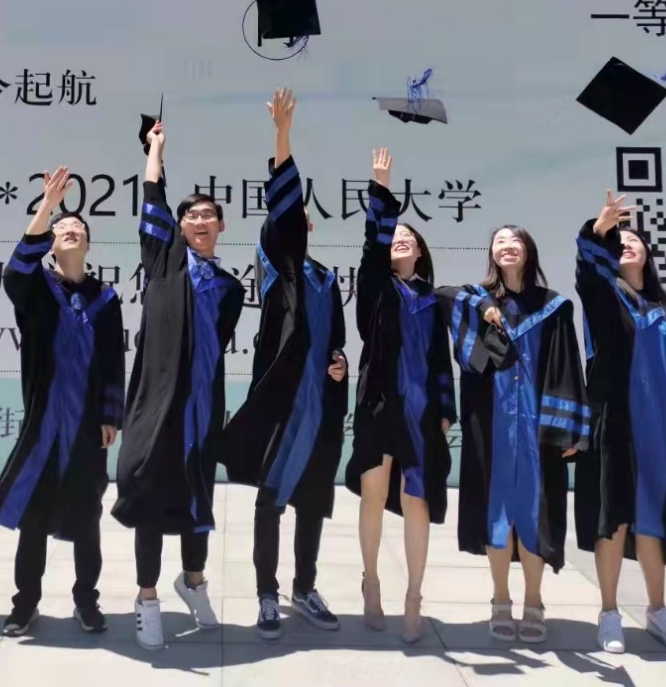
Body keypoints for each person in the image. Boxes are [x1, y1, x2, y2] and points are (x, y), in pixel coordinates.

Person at [220, 89, 348, 639]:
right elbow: (283, 211)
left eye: (302, 218)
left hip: (319, 406)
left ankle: (304, 586)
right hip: (283, 405)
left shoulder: (326, 279)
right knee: (271, 499)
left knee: (312, 500)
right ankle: (267, 593)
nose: (297, 221)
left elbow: (336, 340)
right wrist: (282, 136)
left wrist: (339, 364)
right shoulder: (277, 269)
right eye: (289, 217)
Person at [112, 119, 243, 651]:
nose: (200, 220)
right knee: (149, 497)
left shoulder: (231, 289)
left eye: (208, 215)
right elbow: (153, 197)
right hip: (156, 405)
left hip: (202, 409)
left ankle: (193, 583)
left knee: (197, 501)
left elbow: (213, 348)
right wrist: (156, 151)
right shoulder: (164, 262)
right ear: (180, 228)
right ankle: (147, 600)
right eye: (191, 216)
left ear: (221, 225)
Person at [0, 166, 126, 637]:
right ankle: (25, 603)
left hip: (86, 426)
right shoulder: (38, 291)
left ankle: (86, 600)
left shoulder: (105, 298)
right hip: (43, 424)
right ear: (50, 242)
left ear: (88, 244)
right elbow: (15, 271)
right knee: (33, 517)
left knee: (87, 517)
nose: (70, 229)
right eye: (62, 227)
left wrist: (110, 414)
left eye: (78, 227)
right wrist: (47, 206)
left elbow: (113, 361)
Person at [574, 191, 666, 654]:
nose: (627, 244)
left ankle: (658, 610)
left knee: (654, 520)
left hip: (659, 428)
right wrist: (600, 231)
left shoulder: (664, 310)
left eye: (634, 240)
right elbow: (588, 273)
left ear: (649, 255)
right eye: (620, 242)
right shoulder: (605, 297)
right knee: (612, 520)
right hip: (614, 424)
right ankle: (609, 614)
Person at [444, 226, 588, 644]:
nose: (507, 247)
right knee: (497, 513)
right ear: (492, 253)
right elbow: (442, 296)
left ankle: (534, 601)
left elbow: (567, 367)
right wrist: (484, 305)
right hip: (491, 425)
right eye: (499, 242)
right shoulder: (477, 299)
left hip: (537, 427)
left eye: (515, 241)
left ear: (528, 250)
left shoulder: (552, 306)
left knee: (535, 513)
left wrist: (571, 430)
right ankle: (501, 599)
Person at [344, 148, 455, 645]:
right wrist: (382, 188)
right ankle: (371, 583)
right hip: (379, 405)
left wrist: (446, 411)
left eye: (408, 237)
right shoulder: (376, 288)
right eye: (395, 235)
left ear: (420, 252)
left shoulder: (433, 298)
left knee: (417, 502)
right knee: (373, 496)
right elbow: (373, 246)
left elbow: (442, 361)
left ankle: (413, 597)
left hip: (421, 413)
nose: (399, 240)